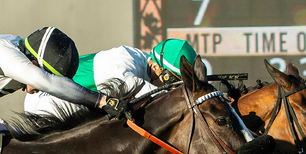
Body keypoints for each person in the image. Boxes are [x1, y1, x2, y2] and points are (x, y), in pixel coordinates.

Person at [24, 38, 199, 119]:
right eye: (171, 81)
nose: (171, 88)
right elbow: (124, 85)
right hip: (44, 105)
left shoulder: (145, 67)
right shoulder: (125, 56)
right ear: (154, 66)